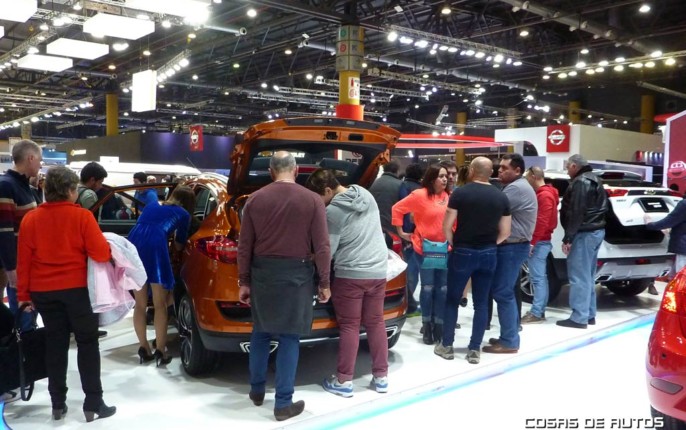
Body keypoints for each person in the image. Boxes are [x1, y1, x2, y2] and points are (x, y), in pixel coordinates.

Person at [16, 166, 116, 422]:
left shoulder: (31, 219)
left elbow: (23, 262)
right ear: (71, 190)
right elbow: (101, 253)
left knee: (55, 344)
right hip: (78, 291)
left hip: (43, 292)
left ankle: (57, 403)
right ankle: (93, 402)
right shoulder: (82, 217)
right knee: (87, 343)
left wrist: (23, 296)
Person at [237, 151, 331, 421]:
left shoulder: (255, 199)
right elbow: (322, 247)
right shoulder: (312, 200)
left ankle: (257, 391)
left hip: (262, 274)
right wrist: (324, 282)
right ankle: (283, 403)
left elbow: (244, 246)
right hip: (297, 275)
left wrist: (244, 281)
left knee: (261, 332)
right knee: (289, 337)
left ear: (270, 171)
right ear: (296, 170)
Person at [305, 169, 389, 398]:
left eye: (318, 197)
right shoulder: (364, 194)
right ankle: (381, 377)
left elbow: (328, 251)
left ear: (328, 190)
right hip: (378, 270)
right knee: (376, 322)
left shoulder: (333, 212)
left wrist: (313, 261)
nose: (318, 203)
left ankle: (344, 381)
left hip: (351, 275)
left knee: (350, 326)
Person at [434, 157, 511, 364]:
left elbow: (446, 226)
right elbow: (506, 232)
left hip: (463, 251)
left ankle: (447, 346)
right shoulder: (501, 196)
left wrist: (456, 243)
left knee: (452, 299)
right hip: (489, 253)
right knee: (481, 303)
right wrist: (490, 244)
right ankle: (474, 349)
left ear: (471, 171)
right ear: (490, 172)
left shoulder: (460, 193)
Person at [127, 185, 195, 366]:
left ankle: (144, 348)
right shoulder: (183, 214)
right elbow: (179, 245)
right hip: (156, 246)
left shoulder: (152, 205)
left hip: (134, 243)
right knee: (160, 305)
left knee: (140, 304)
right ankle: (161, 350)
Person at [484, 153, 537, 354]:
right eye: (500, 167)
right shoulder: (518, 186)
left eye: (505, 168)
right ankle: (509, 335)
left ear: (517, 170)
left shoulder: (516, 189)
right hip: (514, 246)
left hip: (512, 247)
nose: (500, 170)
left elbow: (493, 210)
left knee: (502, 292)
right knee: (505, 292)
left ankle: (510, 341)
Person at [392, 164, 449, 345]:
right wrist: (401, 232)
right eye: (441, 176)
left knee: (442, 288)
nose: (445, 179)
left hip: (445, 249)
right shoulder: (419, 195)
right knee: (427, 288)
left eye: (446, 176)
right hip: (424, 249)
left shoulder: (449, 196)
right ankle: (427, 325)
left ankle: (439, 324)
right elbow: (397, 208)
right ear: (431, 178)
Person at [557, 154, 608, 329]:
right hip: (595, 231)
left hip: (584, 233)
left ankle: (579, 317)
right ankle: (589, 314)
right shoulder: (595, 179)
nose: (566, 171)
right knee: (587, 276)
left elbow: (576, 211)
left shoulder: (581, 182)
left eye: (567, 167)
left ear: (574, 166)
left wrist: (568, 237)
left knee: (579, 276)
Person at [0, 140, 41, 333]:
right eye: (39, 159)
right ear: (30, 158)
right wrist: (12, 270)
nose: (40, 164)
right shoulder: (6, 186)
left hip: (28, 265)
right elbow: (4, 232)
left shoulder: (24, 187)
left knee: (29, 319)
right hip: (18, 268)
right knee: (24, 324)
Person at [521, 166, 559, 324]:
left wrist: (532, 242)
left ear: (533, 176)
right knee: (539, 278)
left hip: (540, 242)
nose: (526, 181)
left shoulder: (544, 195)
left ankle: (537, 312)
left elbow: (542, 221)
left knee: (538, 278)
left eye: (526, 177)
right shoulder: (547, 193)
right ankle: (539, 310)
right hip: (541, 241)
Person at [399, 162, 424, 314]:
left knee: (409, 268)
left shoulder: (402, 186)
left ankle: (408, 302)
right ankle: (409, 305)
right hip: (414, 235)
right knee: (413, 269)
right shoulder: (420, 190)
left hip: (403, 233)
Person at [645, 200, 686, 293]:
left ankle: (679, 301)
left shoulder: (684, 204)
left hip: (683, 249)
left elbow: (669, 221)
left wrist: (650, 224)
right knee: (675, 278)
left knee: (680, 280)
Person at [369, 160, 403, 248]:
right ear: (397, 170)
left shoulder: (373, 183)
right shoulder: (400, 185)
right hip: (393, 228)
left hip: (375, 225)